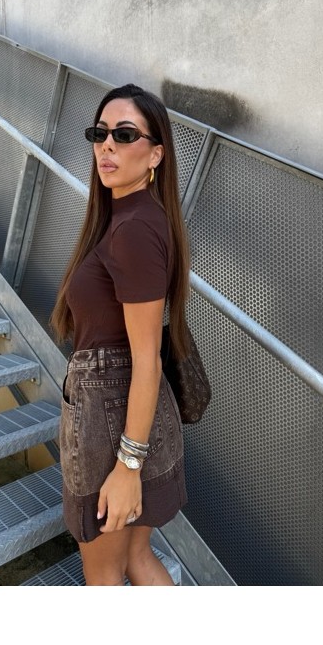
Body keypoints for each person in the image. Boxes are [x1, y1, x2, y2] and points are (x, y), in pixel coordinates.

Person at [49, 83, 193, 586]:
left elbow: (146, 358)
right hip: (130, 412)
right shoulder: (132, 218)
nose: (106, 145)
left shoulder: (134, 229)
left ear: (156, 154)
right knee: (136, 558)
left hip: (113, 421)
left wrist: (128, 465)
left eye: (125, 134)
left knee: (106, 576)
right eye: (100, 133)